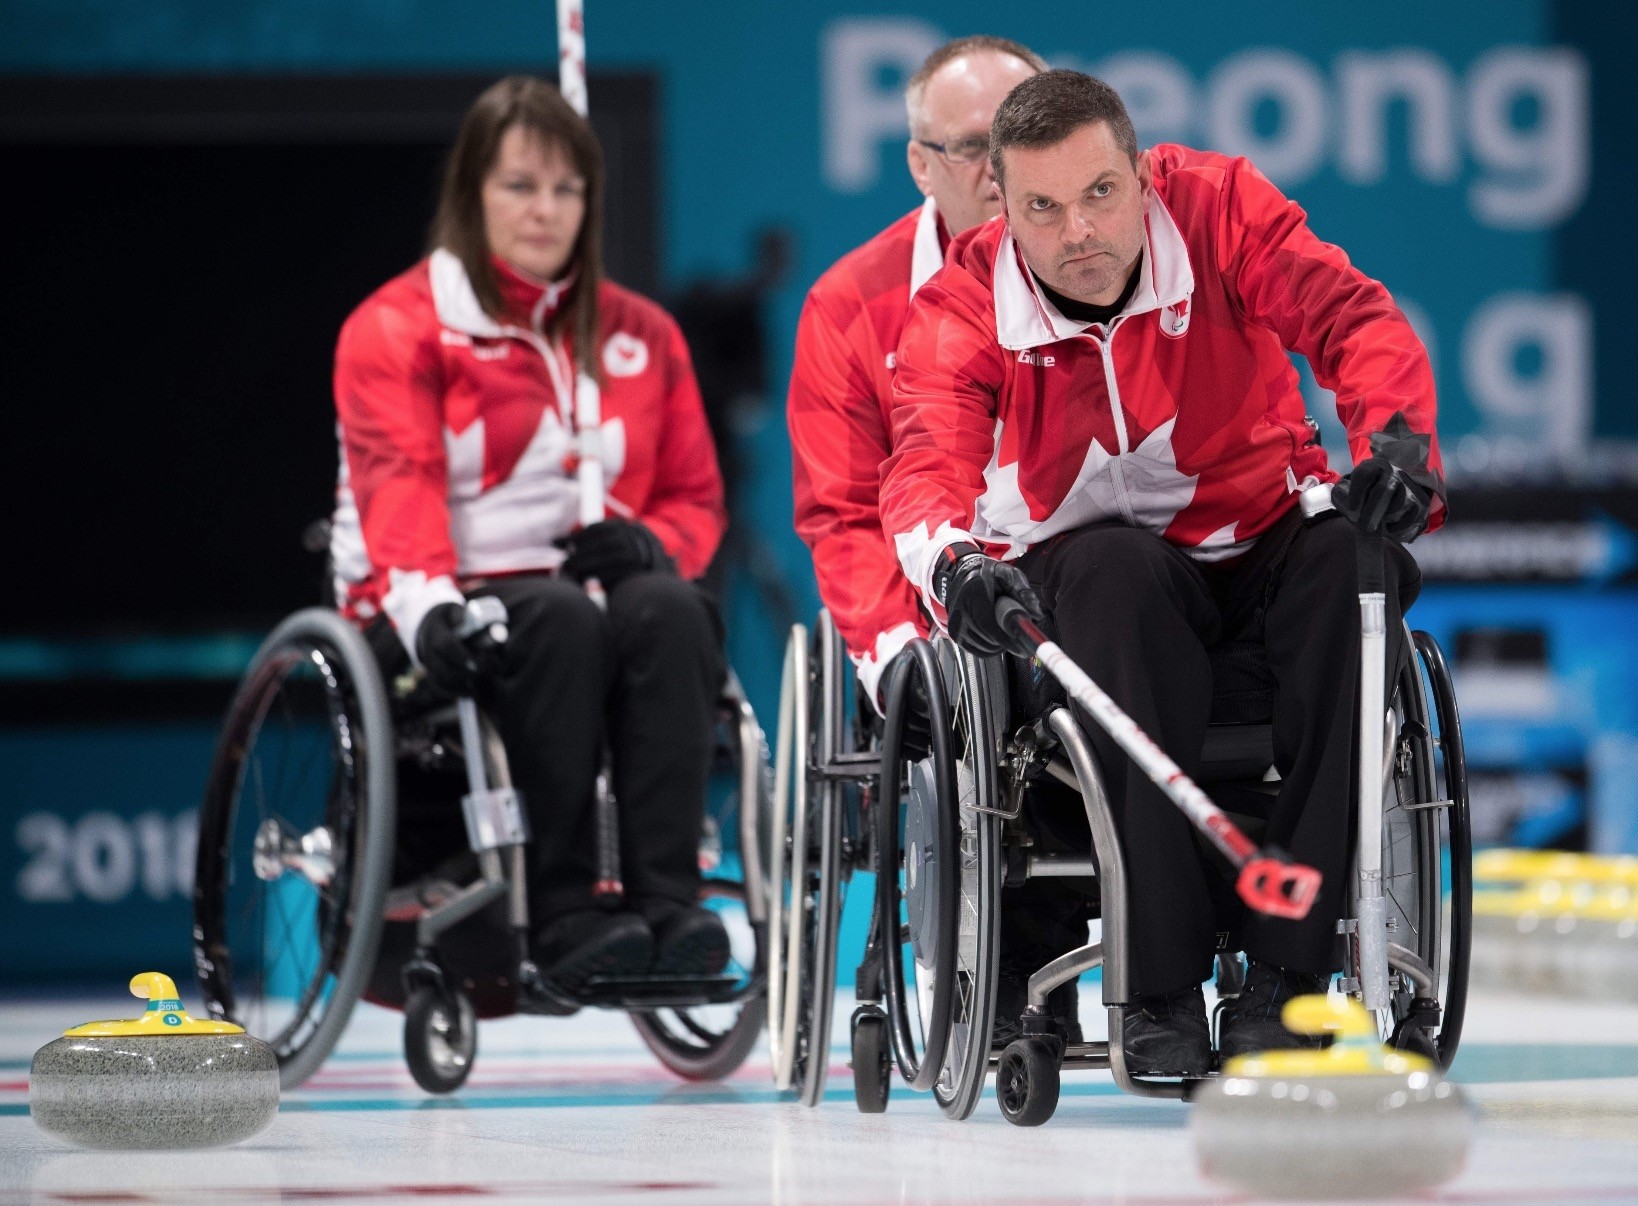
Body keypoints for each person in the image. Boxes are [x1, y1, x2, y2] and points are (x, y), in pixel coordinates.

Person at [880, 70, 1444, 1076]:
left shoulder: (1224, 210)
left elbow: (1352, 321)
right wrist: (952, 564)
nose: (1078, 229)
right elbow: (924, 461)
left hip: (1262, 539)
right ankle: (1156, 989)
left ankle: (1289, 980)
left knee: (1360, 561)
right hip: (1103, 596)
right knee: (1108, 572)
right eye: (1043, 207)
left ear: (1143, 175)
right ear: (1000, 207)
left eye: (1101, 192)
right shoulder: (962, 304)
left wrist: (1400, 442)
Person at [329, 76, 731, 994]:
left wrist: (653, 544)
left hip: (586, 588)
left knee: (668, 607)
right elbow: (400, 489)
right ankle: (566, 909)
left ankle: (668, 902)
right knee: (555, 618)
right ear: (471, 192)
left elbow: (695, 501)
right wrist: (430, 607)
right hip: (427, 595)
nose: (545, 210)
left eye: (567, 188)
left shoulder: (640, 334)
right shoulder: (397, 328)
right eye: (519, 185)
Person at [788, 36, 1087, 1045]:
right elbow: (838, 510)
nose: (1001, 170)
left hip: (1085, 584)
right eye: (972, 148)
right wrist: (888, 652)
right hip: (940, 604)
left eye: (1023, 133)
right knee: (974, 681)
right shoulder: (851, 302)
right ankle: (1012, 980)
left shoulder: (1104, 261)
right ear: (919, 163)